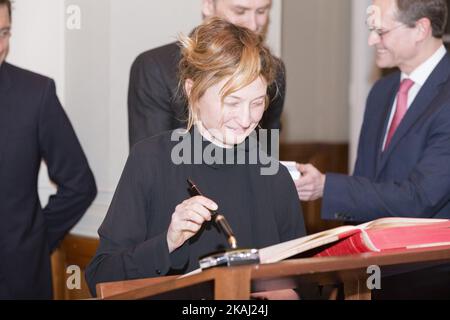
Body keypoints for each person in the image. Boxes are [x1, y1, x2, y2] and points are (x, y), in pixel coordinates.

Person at [86, 18, 306, 300]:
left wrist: (291, 293)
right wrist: (167, 243)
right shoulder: (151, 160)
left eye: (258, 102)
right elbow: (100, 277)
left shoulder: (274, 177)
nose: (247, 119)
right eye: (232, 102)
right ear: (193, 91)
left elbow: (304, 279)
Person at [297, 0, 450, 299]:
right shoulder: (381, 92)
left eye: (381, 32)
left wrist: (326, 187)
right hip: (372, 275)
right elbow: (364, 185)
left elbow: (420, 200)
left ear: (421, 29)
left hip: (430, 277)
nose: (371, 41)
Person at [0, 0, 97, 299]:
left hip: (17, 283)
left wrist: (34, 239)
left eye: (4, 32)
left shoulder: (35, 94)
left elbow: (80, 185)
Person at [128, 0, 286, 148]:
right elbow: (152, 165)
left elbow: (266, 155)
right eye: (240, 11)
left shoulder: (274, 71)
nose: (253, 24)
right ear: (209, 5)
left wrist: (289, 176)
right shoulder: (155, 67)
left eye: (261, 11)